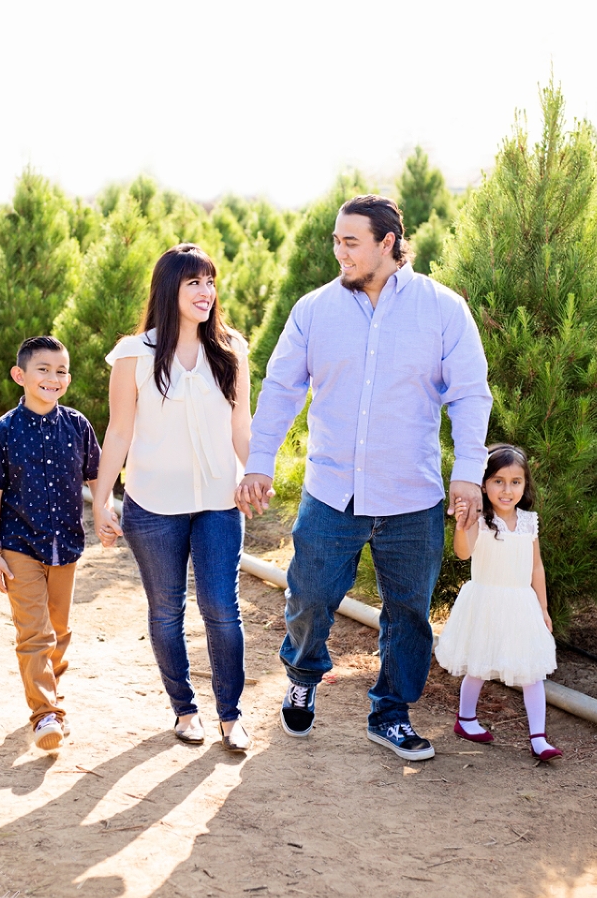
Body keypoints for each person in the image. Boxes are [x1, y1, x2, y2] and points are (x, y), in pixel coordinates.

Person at [235, 195, 492, 761]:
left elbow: (470, 394)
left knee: (409, 615)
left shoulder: (443, 310)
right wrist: (259, 461)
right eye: (336, 240)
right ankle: (303, 675)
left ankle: (391, 715)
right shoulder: (314, 310)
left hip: (412, 495)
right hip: (332, 491)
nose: (340, 252)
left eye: (351, 242)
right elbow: (281, 389)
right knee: (309, 597)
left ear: (388, 243)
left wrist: (468, 474)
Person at [93, 243, 253, 753]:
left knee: (221, 608)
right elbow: (118, 431)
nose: (207, 292)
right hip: (153, 505)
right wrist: (100, 499)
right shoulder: (133, 354)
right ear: (170, 289)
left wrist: (256, 473)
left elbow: (241, 425)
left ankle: (230, 716)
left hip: (219, 502)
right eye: (194, 283)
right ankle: (185, 710)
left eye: (210, 282)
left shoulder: (230, 349)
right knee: (166, 611)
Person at [0, 336, 101, 752]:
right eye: (43, 369)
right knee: (34, 632)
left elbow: (97, 476)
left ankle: (52, 697)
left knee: (59, 629)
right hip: (19, 546)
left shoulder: (78, 426)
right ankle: (45, 714)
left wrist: (104, 512)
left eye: (61, 370)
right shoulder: (3, 432)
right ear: (20, 375)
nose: (53, 377)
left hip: (66, 544)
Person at [435, 443, 562, 761]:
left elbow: (536, 567)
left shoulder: (528, 522)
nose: (507, 490)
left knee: (531, 671)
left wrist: (543, 608)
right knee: (479, 664)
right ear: (484, 484)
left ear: (525, 485)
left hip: (522, 605)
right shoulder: (480, 521)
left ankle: (538, 738)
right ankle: (466, 719)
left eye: (515, 482)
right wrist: (462, 524)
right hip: (486, 602)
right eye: (498, 481)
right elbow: (463, 552)